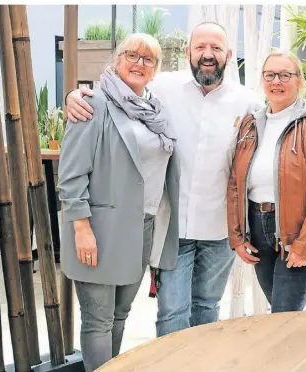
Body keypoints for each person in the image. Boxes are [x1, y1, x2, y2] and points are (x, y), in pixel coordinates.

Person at [64, 22, 306, 337]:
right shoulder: (163, 88)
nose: (208, 55)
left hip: (220, 228)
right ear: (188, 53)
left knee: (207, 305)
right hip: (174, 227)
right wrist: (76, 96)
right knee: (172, 310)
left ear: (228, 55)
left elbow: (289, 123)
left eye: (216, 48)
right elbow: (120, 90)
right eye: (200, 48)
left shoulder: (248, 102)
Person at [57, 33, 180, 371]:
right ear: (116, 59)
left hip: (144, 226)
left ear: (156, 69)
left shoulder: (155, 110)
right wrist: (81, 228)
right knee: (98, 320)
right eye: (132, 55)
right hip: (101, 229)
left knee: (120, 315)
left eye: (148, 59)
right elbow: (70, 173)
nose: (139, 63)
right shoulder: (93, 104)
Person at [227, 50, 306, 313]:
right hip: (258, 229)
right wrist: (237, 236)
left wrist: (304, 245)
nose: (276, 81)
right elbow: (236, 182)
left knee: (284, 313)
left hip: (299, 230)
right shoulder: (250, 123)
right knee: (281, 312)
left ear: (299, 81)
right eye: (270, 75)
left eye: (284, 75)